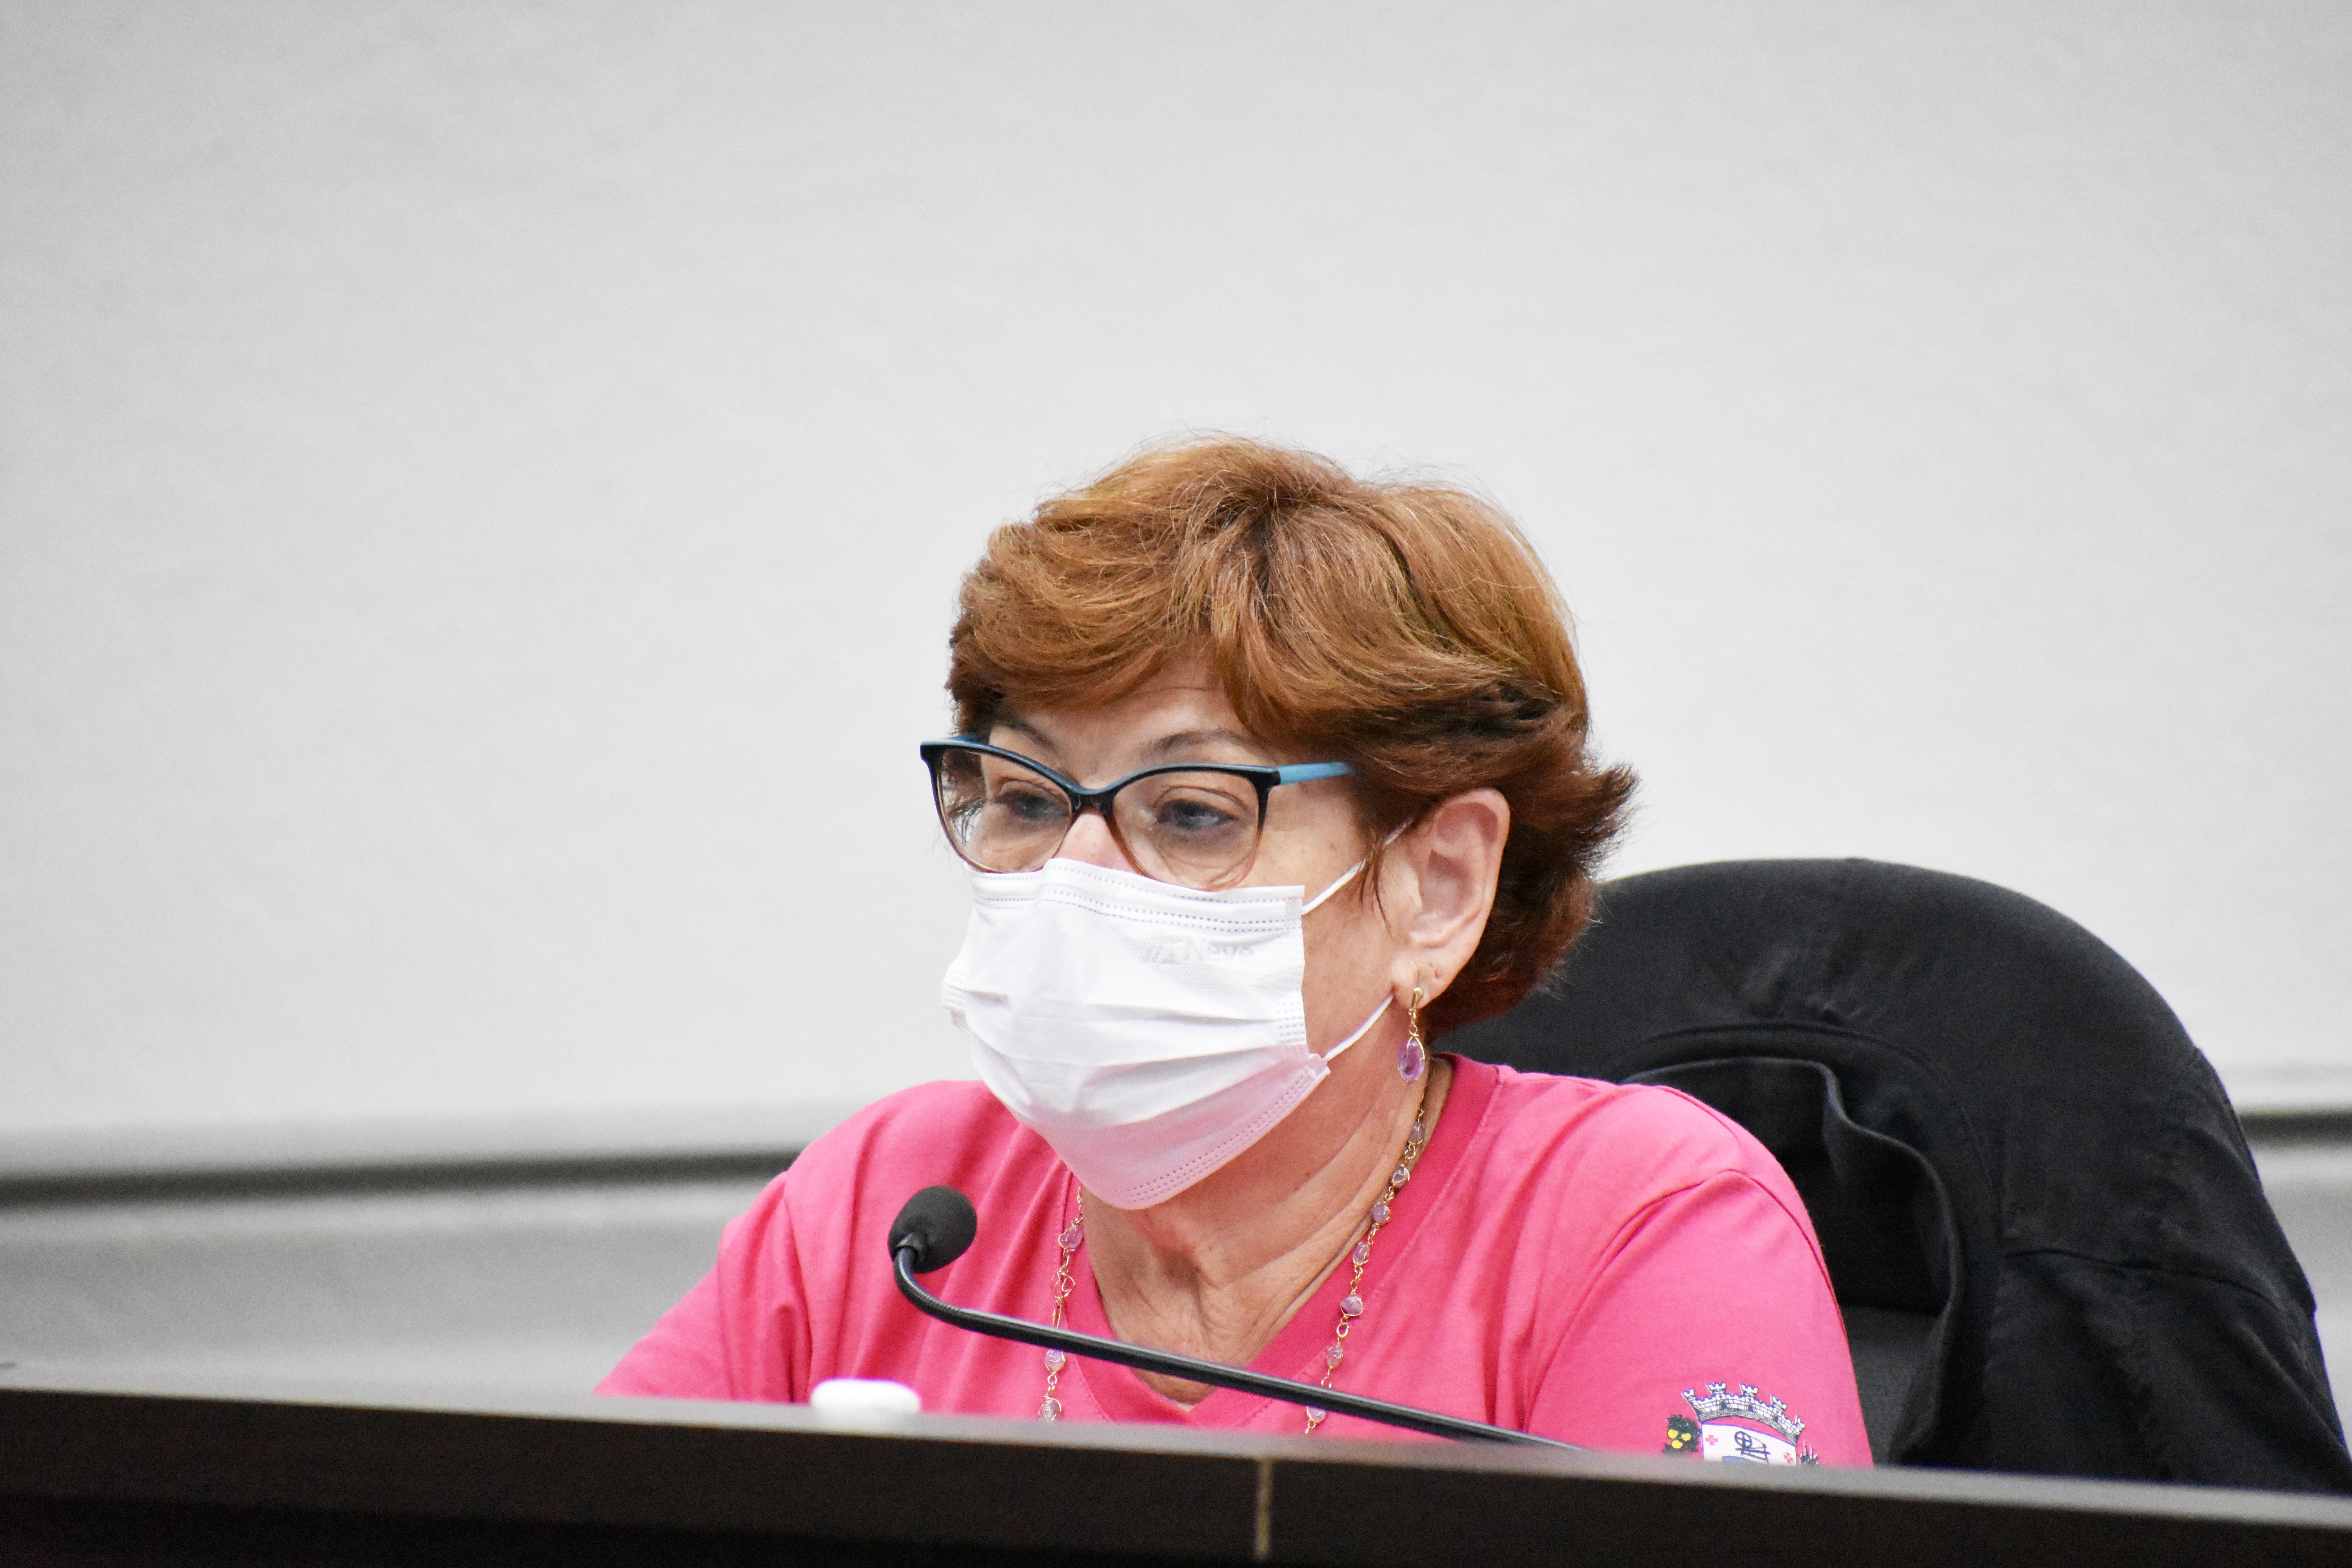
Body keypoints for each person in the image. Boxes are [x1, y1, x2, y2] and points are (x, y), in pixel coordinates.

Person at [599, 437, 1871, 1463]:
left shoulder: (1638, 1225)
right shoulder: (892, 1214)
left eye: (1193, 813)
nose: (1072, 879)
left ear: (1437, 886)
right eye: (1027, 799)